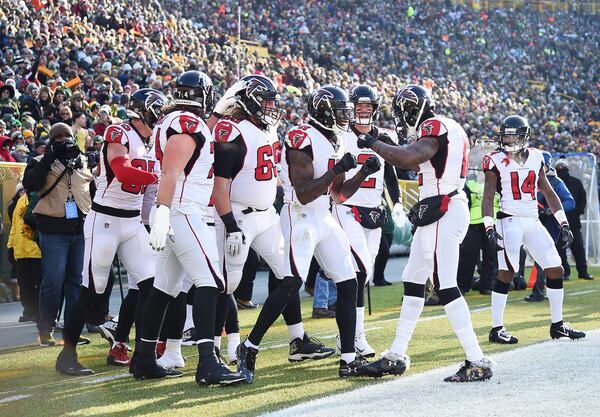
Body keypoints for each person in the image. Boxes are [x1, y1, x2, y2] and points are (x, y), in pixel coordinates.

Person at [237, 85, 377, 383]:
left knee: (349, 280)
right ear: (324, 111)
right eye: (340, 112)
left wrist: (363, 173)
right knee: (291, 283)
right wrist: (337, 167)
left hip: (323, 214)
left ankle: (349, 359)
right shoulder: (301, 136)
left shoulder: (336, 139)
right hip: (298, 216)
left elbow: (338, 194)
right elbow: (302, 194)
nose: (345, 118)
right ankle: (248, 347)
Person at [356, 85, 494, 382]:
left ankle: (476, 358)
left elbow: (410, 158)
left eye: (402, 112)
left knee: (445, 284)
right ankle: (396, 354)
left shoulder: (433, 126)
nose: (401, 118)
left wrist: (374, 143)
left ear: (412, 109)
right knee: (413, 278)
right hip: (441, 206)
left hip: (442, 208)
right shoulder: (451, 125)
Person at [211, 75, 330, 366]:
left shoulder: (269, 129)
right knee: (225, 285)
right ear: (248, 101)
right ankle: (216, 348)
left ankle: (298, 340)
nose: (271, 107)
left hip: (266, 215)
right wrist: (229, 224)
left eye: (272, 101)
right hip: (237, 215)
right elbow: (220, 184)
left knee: (289, 275)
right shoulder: (231, 129)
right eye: (265, 101)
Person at [134, 70, 244, 386]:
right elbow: (170, 173)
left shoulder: (176, 120)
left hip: (179, 210)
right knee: (211, 281)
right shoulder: (186, 124)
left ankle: (143, 360)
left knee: (164, 288)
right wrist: (164, 213)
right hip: (184, 211)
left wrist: (225, 103)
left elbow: (203, 132)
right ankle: (208, 363)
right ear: (201, 96)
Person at [55, 89, 168, 375]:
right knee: (92, 289)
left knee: (151, 285)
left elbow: (146, 195)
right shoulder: (119, 132)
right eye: (157, 108)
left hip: (132, 223)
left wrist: (151, 221)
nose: (161, 114)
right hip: (104, 220)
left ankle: (142, 355)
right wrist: (161, 176)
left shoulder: (151, 143)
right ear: (143, 109)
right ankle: (67, 355)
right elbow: (123, 171)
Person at [482, 115, 585, 345]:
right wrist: (489, 227)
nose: (507, 138)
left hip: (533, 220)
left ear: (523, 136)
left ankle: (557, 326)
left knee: (556, 268)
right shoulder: (494, 160)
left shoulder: (537, 157)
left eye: (512, 134)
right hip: (509, 220)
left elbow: (549, 192)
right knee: (507, 272)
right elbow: (488, 197)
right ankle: (496, 328)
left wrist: (563, 223)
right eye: (505, 134)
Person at [332, 84, 402, 358]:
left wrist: (396, 203)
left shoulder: (383, 136)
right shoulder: (341, 136)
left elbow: (390, 175)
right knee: (358, 271)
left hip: (373, 210)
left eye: (368, 107)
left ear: (374, 108)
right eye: (359, 106)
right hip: (347, 207)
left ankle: (348, 334)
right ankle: (355, 336)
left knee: (365, 274)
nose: (363, 111)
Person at [22, 123, 94, 347]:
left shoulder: (81, 160)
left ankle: (71, 332)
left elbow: (92, 190)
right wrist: (49, 157)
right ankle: (46, 329)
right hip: (53, 228)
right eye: (58, 137)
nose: (63, 140)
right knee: (53, 281)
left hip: (80, 228)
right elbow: (30, 184)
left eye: (66, 137)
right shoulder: (37, 161)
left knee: (76, 281)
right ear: (51, 141)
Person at [524, 152, 575, 302]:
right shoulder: (528, 179)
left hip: (550, 224)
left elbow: (570, 202)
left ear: (546, 165)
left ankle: (539, 291)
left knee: (543, 257)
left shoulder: (556, 182)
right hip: (531, 220)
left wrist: (550, 211)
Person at [456, 175, 499, 295]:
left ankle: (487, 286)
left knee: (491, 255)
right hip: (473, 223)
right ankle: (462, 286)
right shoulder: (469, 183)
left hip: (492, 222)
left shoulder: (498, 183)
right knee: (468, 256)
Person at [555, 160, 593, 280]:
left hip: (574, 222)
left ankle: (583, 272)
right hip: (558, 222)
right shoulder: (553, 183)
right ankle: (564, 273)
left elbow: (582, 199)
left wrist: (577, 211)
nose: (561, 171)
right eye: (558, 169)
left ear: (567, 169)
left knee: (578, 249)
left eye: (563, 168)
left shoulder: (576, 182)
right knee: (560, 250)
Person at [7, 188, 41, 322]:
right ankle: (29, 310)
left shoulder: (40, 198)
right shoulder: (20, 201)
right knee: (24, 284)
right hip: (21, 251)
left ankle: (40, 311)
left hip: (37, 251)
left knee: (39, 283)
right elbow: (14, 226)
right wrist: (10, 246)